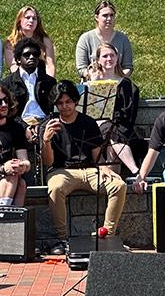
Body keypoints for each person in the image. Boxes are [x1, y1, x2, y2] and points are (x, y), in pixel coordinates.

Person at [41, 80, 128, 255]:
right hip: (61, 171)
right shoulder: (49, 125)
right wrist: (46, 141)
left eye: (68, 102)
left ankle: (107, 234)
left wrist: (104, 168)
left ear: (75, 101)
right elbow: (48, 162)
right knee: (55, 188)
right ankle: (62, 238)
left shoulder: (87, 122)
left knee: (119, 185)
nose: (65, 106)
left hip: (89, 169)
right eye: (60, 103)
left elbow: (97, 154)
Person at [85, 41, 141, 176]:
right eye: (104, 56)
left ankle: (116, 182)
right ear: (98, 60)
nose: (109, 59)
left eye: (112, 55)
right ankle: (134, 172)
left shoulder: (126, 85)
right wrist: (92, 83)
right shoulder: (91, 83)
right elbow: (85, 109)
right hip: (94, 129)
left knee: (110, 138)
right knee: (107, 137)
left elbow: (128, 115)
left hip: (121, 129)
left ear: (117, 58)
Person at [0, 38, 57, 131]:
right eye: (26, 55)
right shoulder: (7, 83)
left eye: (35, 54)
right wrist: (25, 127)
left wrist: (41, 126)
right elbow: (8, 112)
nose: (31, 57)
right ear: (18, 59)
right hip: (18, 124)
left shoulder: (50, 82)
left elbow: (54, 109)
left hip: (45, 123)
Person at [75, 0, 134, 80]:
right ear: (96, 17)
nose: (109, 18)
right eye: (105, 15)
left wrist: (117, 78)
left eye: (111, 15)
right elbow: (81, 68)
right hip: (93, 85)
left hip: (118, 84)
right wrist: (94, 76)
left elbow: (128, 67)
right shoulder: (85, 39)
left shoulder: (123, 39)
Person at [3, 6, 57, 77]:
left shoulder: (45, 40)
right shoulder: (10, 43)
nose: (31, 21)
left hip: (42, 79)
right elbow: (13, 66)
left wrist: (50, 81)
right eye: (27, 18)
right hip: (19, 79)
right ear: (19, 21)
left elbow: (50, 65)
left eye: (34, 18)